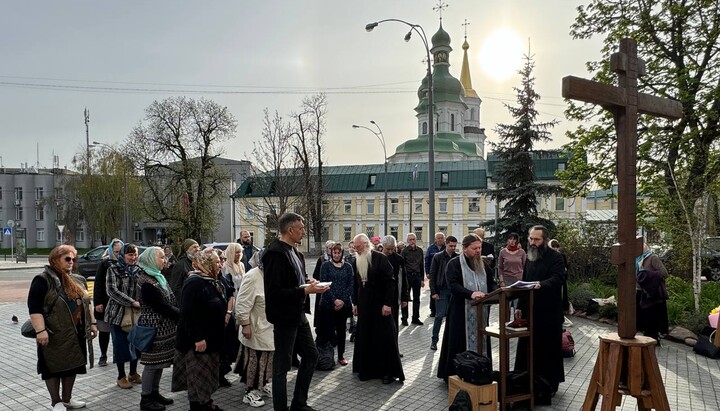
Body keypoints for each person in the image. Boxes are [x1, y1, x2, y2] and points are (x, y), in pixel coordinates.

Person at [263, 212, 328, 411]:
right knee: (282, 368)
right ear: (290, 230)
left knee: (311, 355)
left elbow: (296, 280)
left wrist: (309, 283)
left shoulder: (296, 253)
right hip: (284, 317)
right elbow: (274, 292)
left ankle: (299, 403)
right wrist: (306, 290)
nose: (303, 232)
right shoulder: (275, 254)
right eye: (300, 228)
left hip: (298, 314)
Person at [28, 244, 97, 411]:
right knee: (52, 367)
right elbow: (34, 308)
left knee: (72, 365)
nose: (71, 262)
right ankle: (56, 401)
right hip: (53, 333)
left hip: (75, 332)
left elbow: (87, 303)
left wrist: (92, 323)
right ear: (55, 260)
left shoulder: (78, 279)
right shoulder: (43, 280)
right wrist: (40, 331)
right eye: (67, 258)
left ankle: (67, 399)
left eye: (73, 259)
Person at [171, 248, 227, 411]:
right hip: (197, 343)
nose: (219, 265)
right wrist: (198, 338)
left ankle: (205, 403)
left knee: (206, 376)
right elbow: (187, 313)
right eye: (216, 262)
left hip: (210, 340)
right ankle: (198, 407)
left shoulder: (211, 279)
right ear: (206, 263)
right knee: (198, 378)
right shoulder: (195, 282)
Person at [514, 226, 566, 396]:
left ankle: (549, 384)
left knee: (547, 349)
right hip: (530, 311)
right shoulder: (529, 258)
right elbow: (524, 281)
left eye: (536, 239)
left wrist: (540, 285)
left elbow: (558, 279)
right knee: (528, 348)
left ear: (544, 240)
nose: (533, 243)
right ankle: (525, 380)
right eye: (531, 239)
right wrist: (520, 306)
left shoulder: (555, 257)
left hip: (549, 312)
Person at [437, 234, 497, 382]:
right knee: (457, 341)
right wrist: (471, 294)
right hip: (460, 312)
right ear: (464, 248)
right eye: (474, 248)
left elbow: (492, 282)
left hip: (481, 312)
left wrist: (496, 292)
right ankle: (454, 373)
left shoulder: (483, 264)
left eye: (480, 248)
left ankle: (481, 370)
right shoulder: (454, 264)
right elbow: (453, 285)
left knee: (481, 340)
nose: (478, 251)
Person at [351, 233, 405, 384]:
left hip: (381, 306)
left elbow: (390, 282)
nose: (357, 250)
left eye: (359, 247)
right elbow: (357, 284)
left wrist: (388, 304)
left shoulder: (381, 258)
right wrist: (355, 303)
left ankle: (388, 372)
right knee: (366, 336)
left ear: (367, 244)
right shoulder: (357, 260)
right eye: (355, 248)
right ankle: (367, 369)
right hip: (364, 307)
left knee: (385, 338)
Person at [135, 247, 179, 411]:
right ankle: (146, 399)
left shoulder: (157, 276)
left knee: (160, 362)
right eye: (161, 257)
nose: (164, 260)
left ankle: (155, 393)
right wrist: (180, 316)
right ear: (151, 260)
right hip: (153, 329)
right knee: (151, 364)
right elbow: (160, 306)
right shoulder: (145, 281)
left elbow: (170, 299)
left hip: (165, 327)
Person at [234, 249, 273, 408]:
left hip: (268, 327)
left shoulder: (270, 274)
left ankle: (262, 385)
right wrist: (245, 325)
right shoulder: (252, 276)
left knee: (267, 359)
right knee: (255, 361)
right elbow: (242, 303)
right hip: (255, 328)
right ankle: (250, 392)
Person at [106, 243, 142, 389]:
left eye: (135, 254)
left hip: (136, 314)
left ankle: (133, 373)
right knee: (120, 345)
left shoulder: (139, 270)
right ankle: (121, 376)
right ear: (122, 255)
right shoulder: (113, 269)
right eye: (129, 255)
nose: (133, 258)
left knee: (136, 344)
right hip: (118, 314)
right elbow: (112, 291)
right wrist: (132, 301)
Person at [318, 242, 355, 366]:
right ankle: (327, 357)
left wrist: (342, 300)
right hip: (328, 304)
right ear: (331, 253)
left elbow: (351, 284)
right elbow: (324, 284)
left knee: (341, 330)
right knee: (328, 331)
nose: (337, 255)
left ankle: (341, 355)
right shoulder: (325, 266)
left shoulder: (348, 267)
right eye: (335, 252)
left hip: (343, 305)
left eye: (339, 252)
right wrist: (334, 300)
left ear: (342, 253)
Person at [94, 239, 123, 367]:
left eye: (120, 251)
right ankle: (103, 355)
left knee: (120, 332)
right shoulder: (105, 264)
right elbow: (98, 284)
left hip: (121, 303)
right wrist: (98, 302)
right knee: (104, 331)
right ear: (111, 251)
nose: (118, 254)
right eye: (116, 251)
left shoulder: (125, 264)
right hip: (105, 303)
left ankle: (120, 354)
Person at [380, 235, 409, 351]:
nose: (391, 251)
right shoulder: (376, 257)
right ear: (382, 247)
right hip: (379, 297)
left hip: (394, 296)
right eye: (388, 249)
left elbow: (404, 279)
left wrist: (404, 297)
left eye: (393, 249)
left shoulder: (398, 259)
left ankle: (394, 349)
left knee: (393, 325)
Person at [429, 235, 458, 351]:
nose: (453, 248)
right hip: (441, 290)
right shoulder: (438, 257)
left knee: (453, 317)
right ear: (446, 244)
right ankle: (434, 341)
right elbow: (433, 275)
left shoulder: (458, 257)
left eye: (455, 246)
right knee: (439, 316)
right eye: (451, 246)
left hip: (454, 291)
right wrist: (434, 292)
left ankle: (451, 342)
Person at [635, 243, 669, 343]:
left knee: (652, 317)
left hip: (651, 294)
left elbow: (664, 273)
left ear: (645, 249)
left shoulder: (652, 258)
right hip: (640, 292)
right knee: (642, 317)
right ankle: (646, 336)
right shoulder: (638, 259)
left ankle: (653, 338)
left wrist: (646, 273)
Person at [214, 249, 237, 388]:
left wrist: (228, 313)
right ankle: (217, 376)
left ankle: (222, 373)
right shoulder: (208, 278)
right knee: (219, 349)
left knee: (230, 347)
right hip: (216, 321)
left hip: (227, 318)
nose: (221, 263)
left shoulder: (223, 277)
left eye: (223, 260)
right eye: (219, 260)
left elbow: (231, 295)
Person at [497, 233, 526, 319]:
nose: (512, 241)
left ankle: (517, 324)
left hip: (519, 281)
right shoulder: (503, 252)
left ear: (517, 241)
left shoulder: (522, 252)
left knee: (518, 306)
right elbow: (500, 267)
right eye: (510, 239)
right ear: (507, 240)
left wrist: (524, 282)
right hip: (506, 281)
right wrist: (501, 281)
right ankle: (505, 326)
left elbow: (525, 267)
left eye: (514, 239)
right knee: (506, 306)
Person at [400, 233, 424, 326]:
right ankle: (404, 318)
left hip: (417, 276)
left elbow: (422, 265)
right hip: (407, 276)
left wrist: (422, 279)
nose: (412, 241)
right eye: (410, 240)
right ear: (407, 241)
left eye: (413, 239)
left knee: (417, 298)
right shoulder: (404, 251)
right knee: (405, 297)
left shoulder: (420, 251)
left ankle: (415, 318)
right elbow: (402, 265)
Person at [169, 239, 200, 309]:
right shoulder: (180, 265)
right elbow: (176, 288)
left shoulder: (198, 263)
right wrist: (184, 306)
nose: (197, 249)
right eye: (194, 247)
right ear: (186, 250)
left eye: (198, 247)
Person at [425, 232, 446, 317]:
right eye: (438, 238)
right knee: (433, 291)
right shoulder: (431, 248)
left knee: (443, 292)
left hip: (444, 274)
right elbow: (427, 261)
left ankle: (443, 310)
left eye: (441, 238)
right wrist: (427, 272)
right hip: (433, 273)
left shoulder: (445, 248)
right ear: (435, 239)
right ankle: (433, 310)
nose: (440, 239)